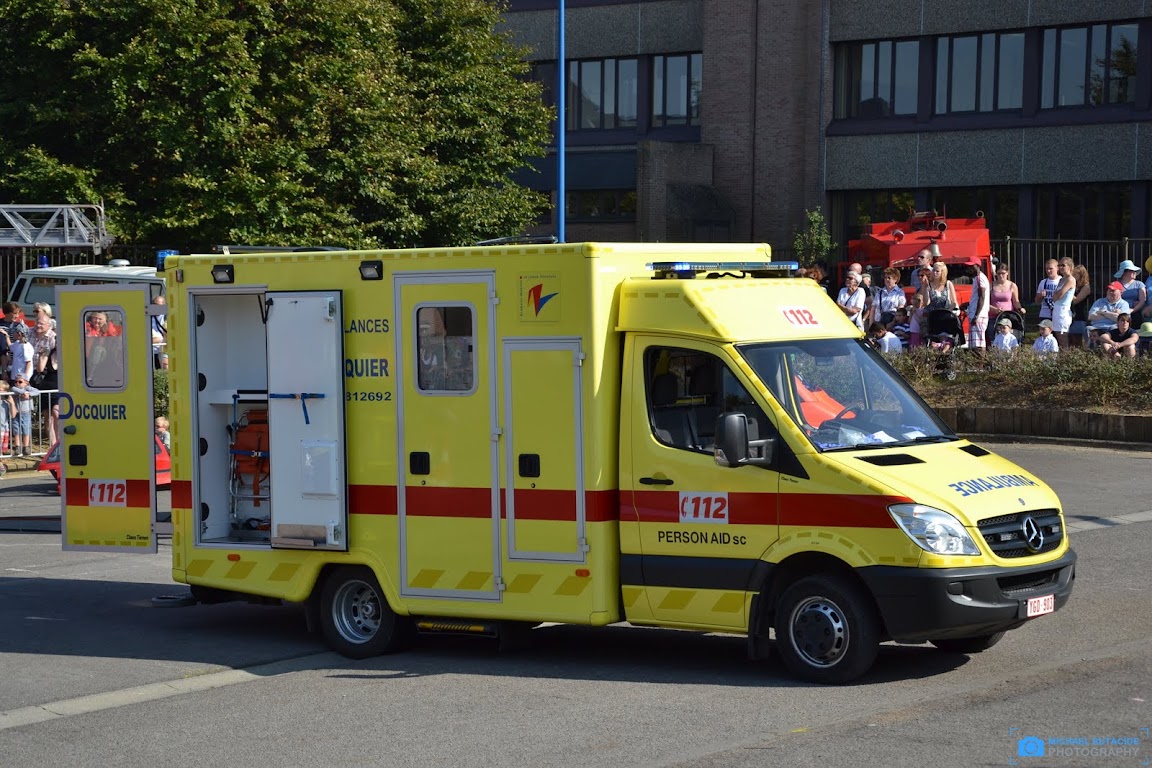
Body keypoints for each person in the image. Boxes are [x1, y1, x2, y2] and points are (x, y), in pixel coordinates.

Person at [964, 256, 990, 355]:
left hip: (979, 315)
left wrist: (976, 315)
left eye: (972, 266)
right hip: (976, 313)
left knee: (979, 343)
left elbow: (982, 297)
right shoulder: (977, 278)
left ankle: (980, 366)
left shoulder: (980, 279)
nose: (969, 268)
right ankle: (976, 364)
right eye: (968, 266)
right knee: (974, 343)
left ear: (977, 266)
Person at [10, 371, 39, 456]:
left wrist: (28, 394)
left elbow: (37, 391)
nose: (17, 383)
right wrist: (23, 393)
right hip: (16, 412)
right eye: (16, 382)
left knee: (26, 428)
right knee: (16, 429)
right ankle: (17, 447)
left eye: (20, 382)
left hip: (26, 412)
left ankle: (26, 447)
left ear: (26, 382)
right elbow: (13, 389)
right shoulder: (15, 389)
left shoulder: (28, 388)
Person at [1050, 257, 1076, 349]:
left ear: (1069, 266)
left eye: (1063, 265)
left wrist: (1056, 296)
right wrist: (1056, 296)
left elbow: (1058, 295)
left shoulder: (1070, 279)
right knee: (1057, 336)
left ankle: (1066, 358)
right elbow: (1054, 297)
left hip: (1063, 311)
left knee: (1063, 337)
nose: (1060, 267)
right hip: (1056, 309)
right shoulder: (1061, 280)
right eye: (1059, 265)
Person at [1068, 264, 1091, 348]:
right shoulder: (1073, 285)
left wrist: (1067, 292)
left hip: (1079, 315)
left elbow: (1077, 300)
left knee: (1078, 340)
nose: (1073, 276)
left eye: (1075, 274)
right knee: (1069, 340)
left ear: (1081, 275)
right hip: (1069, 314)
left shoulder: (1085, 287)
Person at [1033, 259, 1060, 326]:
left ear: (1057, 268)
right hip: (1045, 313)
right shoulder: (1043, 282)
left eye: (1051, 269)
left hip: (1058, 313)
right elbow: (1037, 301)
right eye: (1047, 269)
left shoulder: (1061, 281)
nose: (1048, 271)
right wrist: (1040, 296)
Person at [0, 380, 12, 456]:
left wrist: (12, 403)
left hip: (4, 427)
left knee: (2, 447)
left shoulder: (6, 402)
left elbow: (13, 415)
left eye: (3, 389)